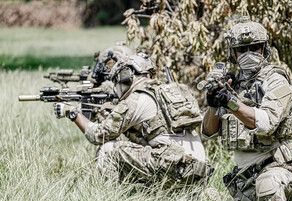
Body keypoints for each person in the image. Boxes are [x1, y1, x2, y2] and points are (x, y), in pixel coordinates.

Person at [202, 16, 292, 201]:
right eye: (242, 49)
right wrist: (213, 102)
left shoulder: (276, 80)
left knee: (268, 187)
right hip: (244, 176)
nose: (249, 53)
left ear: (264, 48)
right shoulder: (232, 83)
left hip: (277, 166)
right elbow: (209, 131)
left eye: (254, 47)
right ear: (233, 53)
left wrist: (230, 102)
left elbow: (266, 122)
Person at [54, 51, 211, 188]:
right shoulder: (169, 93)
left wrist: (72, 112)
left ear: (125, 76)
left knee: (109, 150)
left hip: (174, 168)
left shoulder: (135, 100)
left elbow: (99, 135)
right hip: (198, 170)